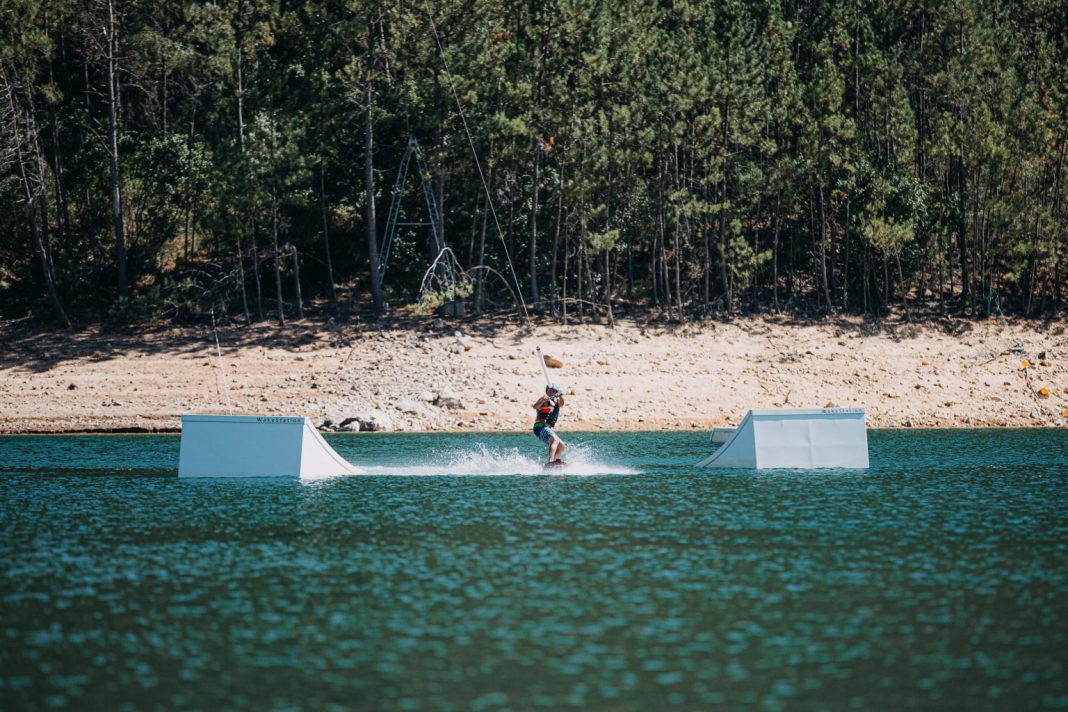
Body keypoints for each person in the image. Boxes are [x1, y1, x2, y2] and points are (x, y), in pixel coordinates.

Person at [532, 385, 566, 463]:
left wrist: (560, 396)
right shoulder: (544, 398)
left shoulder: (557, 401)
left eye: (553, 391)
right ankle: (551, 461)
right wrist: (542, 401)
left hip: (547, 428)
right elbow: (535, 406)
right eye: (549, 391)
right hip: (540, 426)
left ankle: (552, 462)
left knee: (562, 447)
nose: (551, 392)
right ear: (547, 391)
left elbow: (562, 404)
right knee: (555, 440)